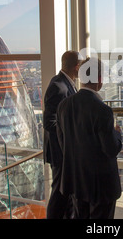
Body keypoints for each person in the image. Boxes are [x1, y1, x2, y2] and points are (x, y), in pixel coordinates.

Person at [56, 57, 122, 219]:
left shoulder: (63, 106)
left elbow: (62, 143)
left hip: (76, 181)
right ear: (99, 79)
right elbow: (111, 149)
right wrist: (118, 134)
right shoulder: (103, 111)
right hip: (100, 185)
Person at [43, 50, 82, 219]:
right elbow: (49, 122)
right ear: (77, 67)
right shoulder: (58, 87)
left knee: (67, 196)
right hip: (61, 153)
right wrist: (73, 134)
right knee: (59, 196)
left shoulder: (64, 83)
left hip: (65, 152)